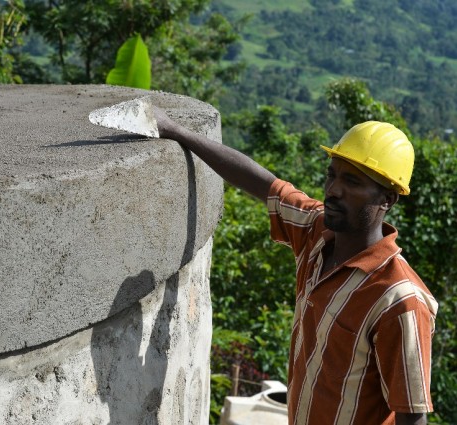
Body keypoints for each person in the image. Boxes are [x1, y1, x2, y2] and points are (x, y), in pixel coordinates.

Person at [152, 108, 437, 425]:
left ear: (387, 199)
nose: (333, 190)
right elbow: (265, 184)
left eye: (352, 182)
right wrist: (176, 131)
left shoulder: (400, 301)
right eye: (332, 175)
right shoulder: (317, 235)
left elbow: (412, 417)